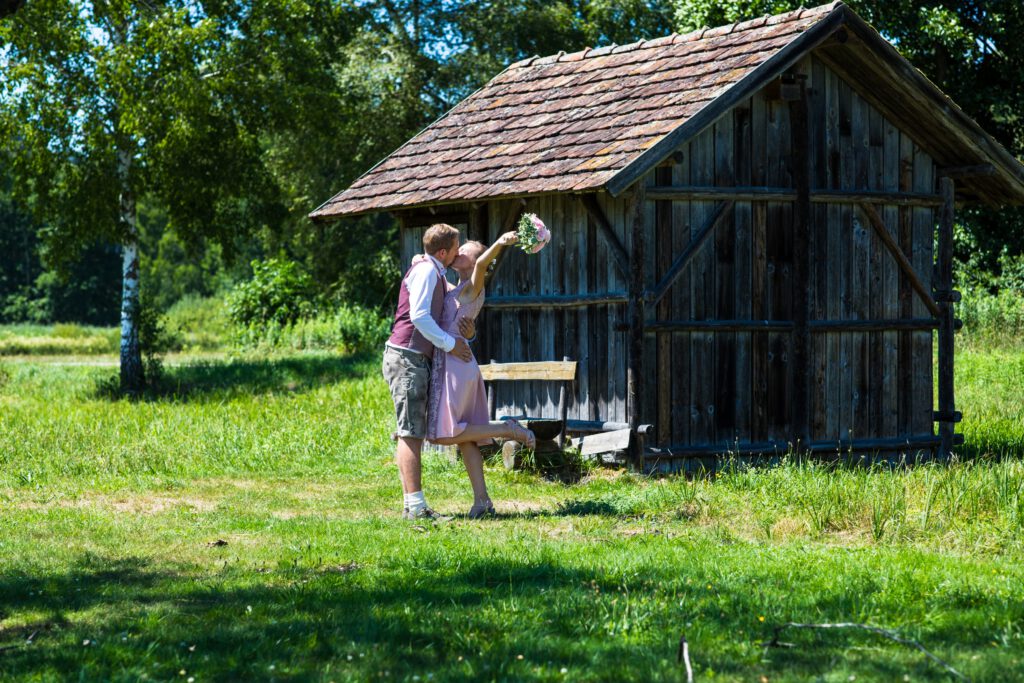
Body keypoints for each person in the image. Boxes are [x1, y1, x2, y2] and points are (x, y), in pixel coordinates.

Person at [423, 231, 536, 519]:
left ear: (477, 262)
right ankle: (482, 501)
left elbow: (484, 263)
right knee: (465, 436)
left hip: (456, 364)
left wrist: (500, 243)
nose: (458, 252)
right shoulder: (457, 288)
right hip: (455, 361)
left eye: (466, 251)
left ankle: (508, 429)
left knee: (446, 434)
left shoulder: (474, 285)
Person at [382, 223, 475, 521]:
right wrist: (449, 344)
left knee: (410, 431)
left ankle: (412, 505)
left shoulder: (432, 270)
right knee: (411, 433)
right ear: (444, 252)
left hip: (412, 357)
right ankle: (417, 508)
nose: (459, 253)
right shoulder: (426, 271)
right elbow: (420, 316)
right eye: (456, 248)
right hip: (407, 357)